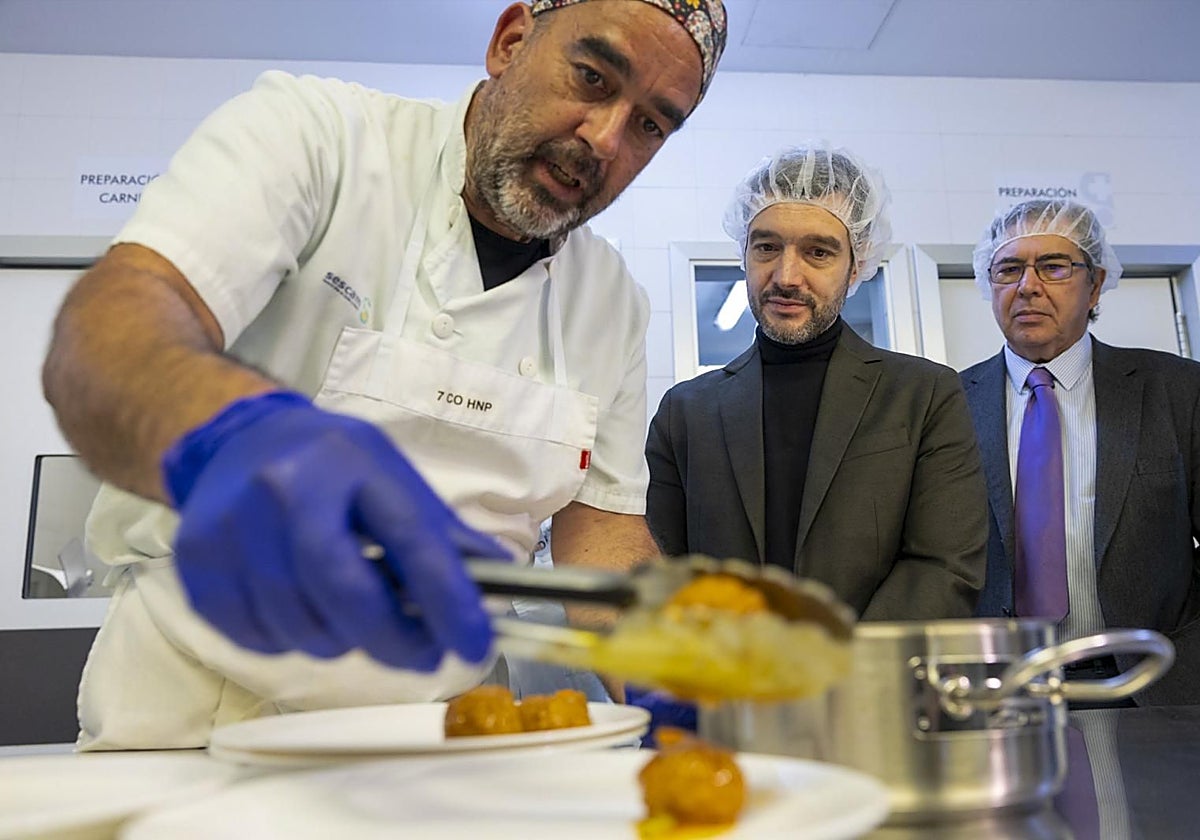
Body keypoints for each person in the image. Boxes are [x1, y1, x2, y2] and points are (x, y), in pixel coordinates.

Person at [40, 0, 727, 750]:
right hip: (199, 717)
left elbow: (601, 527)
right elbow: (109, 336)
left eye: (651, 125)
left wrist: (669, 672)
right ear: (511, 40)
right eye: (592, 77)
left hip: (452, 737)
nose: (603, 138)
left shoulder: (613, 301)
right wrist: (237, 435)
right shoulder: (320, 139)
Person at [644, 144, 988, 621]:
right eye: (766, 246)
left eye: (818, 252)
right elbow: (661, 569)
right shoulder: (686, 412)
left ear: (856, 265)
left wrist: (841, 673)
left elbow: (944, 567)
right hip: (726, 685)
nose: (787, 276)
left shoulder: (923, 397)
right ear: (743, 255)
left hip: (873, 685)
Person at [962, 199, 1200, 705]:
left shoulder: (1176, 391)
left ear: (1094, 284)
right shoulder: (947, 404)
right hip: (1000, 694)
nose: (1028, 286)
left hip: (1154, 687)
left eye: (1052, 266)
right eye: (1009, 268)